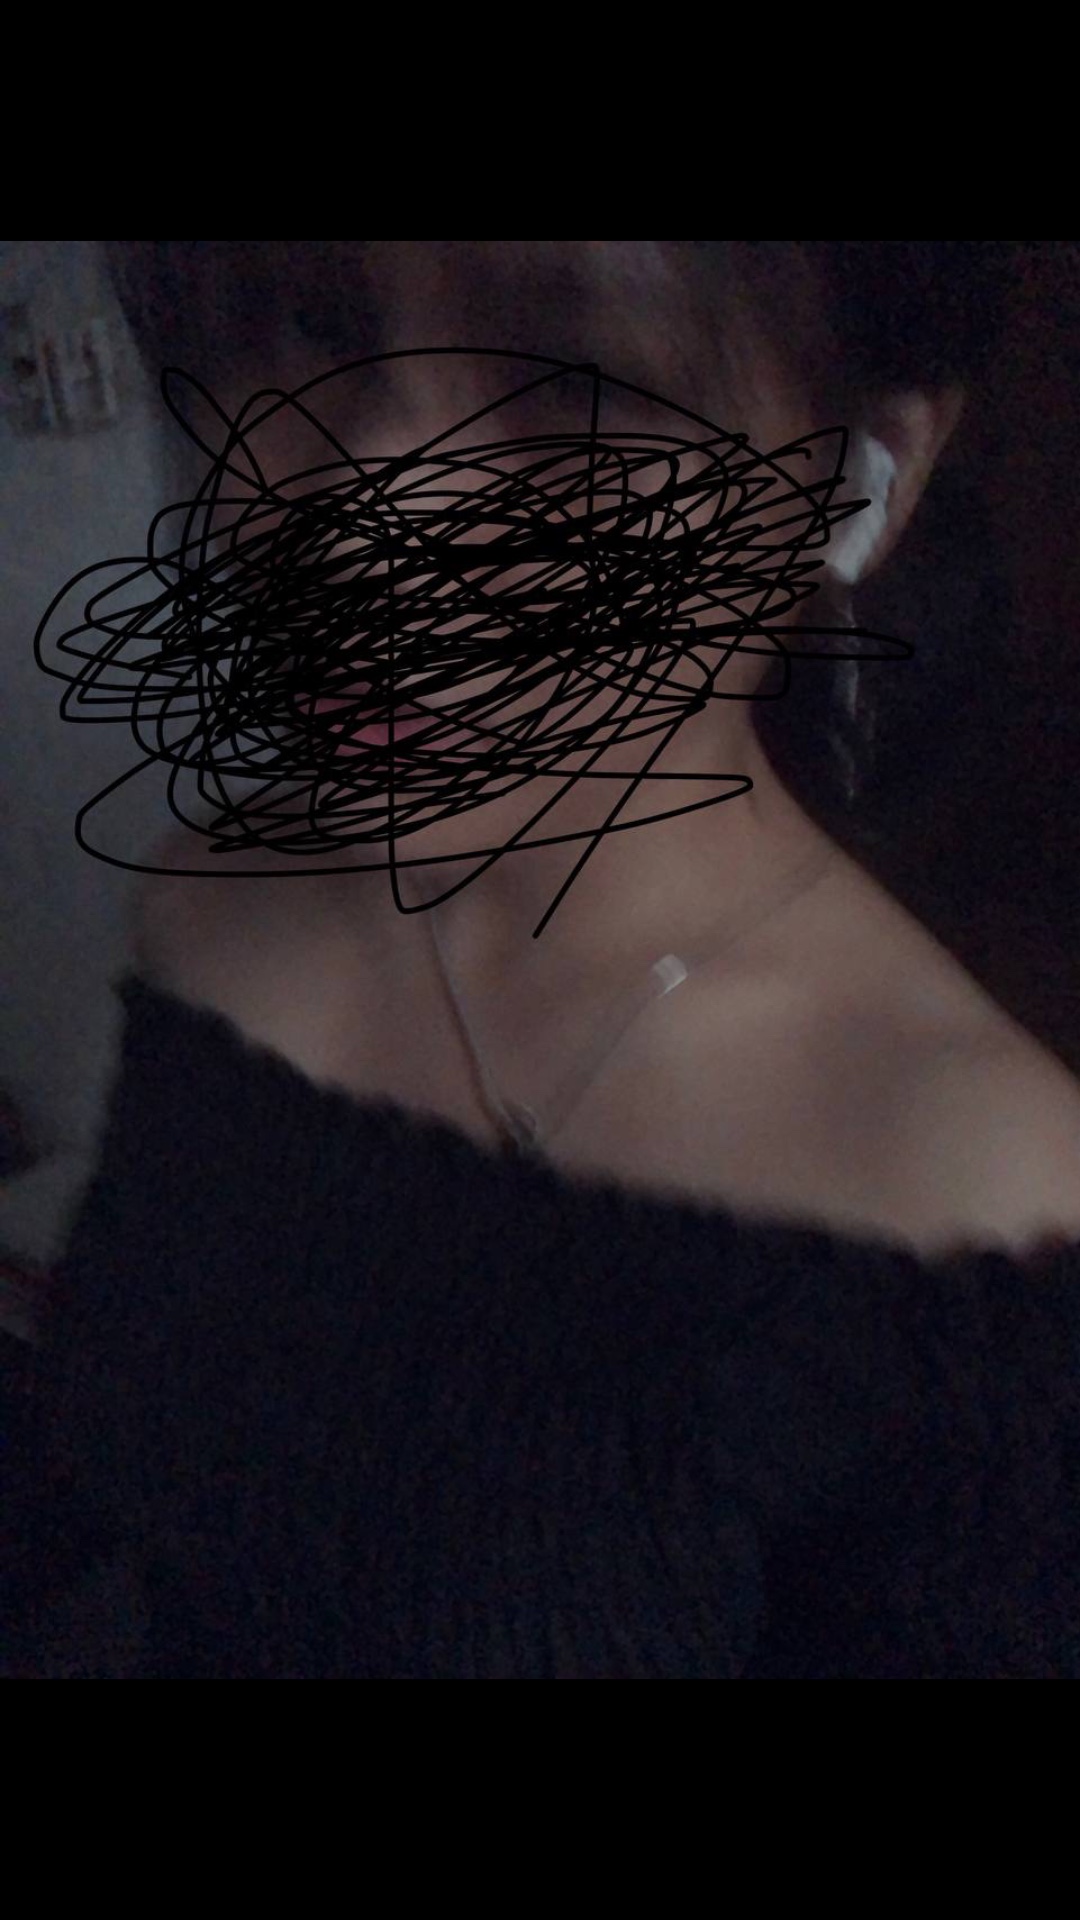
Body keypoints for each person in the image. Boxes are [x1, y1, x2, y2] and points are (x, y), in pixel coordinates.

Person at [6, 239, 1080, 1678]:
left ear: (863, 474)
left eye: (577, 392)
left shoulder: (979, 1217)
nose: (353, 521)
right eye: (308, 325)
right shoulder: (219, 895)